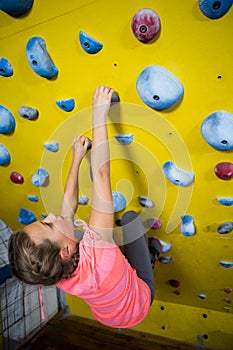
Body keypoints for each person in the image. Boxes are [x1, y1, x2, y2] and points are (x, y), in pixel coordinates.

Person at [8, 86, 161, 328]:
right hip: (139, 302)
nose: (49, 215)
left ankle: (130, 264)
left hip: (109, 317)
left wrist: (77, 158)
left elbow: (65, 211)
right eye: (47, 223)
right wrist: (99, 114)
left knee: (114, 232)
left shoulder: (51, 271)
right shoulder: (98, 248)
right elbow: (102, 174)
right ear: (67, 250)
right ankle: (152, 255)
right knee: (131, 217)